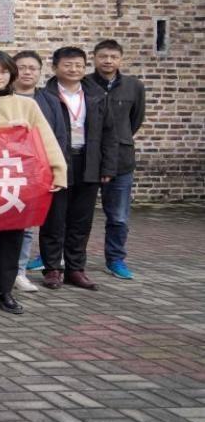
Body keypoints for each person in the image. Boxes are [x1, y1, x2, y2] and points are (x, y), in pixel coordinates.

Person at [0, 51, 66, 315]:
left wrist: (57, 170)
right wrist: (8, 128)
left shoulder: (27, 105)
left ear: (11, 74)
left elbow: (45, 138)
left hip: (18, 180)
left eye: (3, 71)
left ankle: (5, 291)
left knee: (13, 237)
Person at [39, 47, 117, 291]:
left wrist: (107, 166)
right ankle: (52, 268)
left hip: (88, 161)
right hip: (58, 161)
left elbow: (110, 133)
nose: (73, 69)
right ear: (55, 67)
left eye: (79, 65)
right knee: (54, 219)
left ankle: (75, 269)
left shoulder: (97, 95)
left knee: (81, 220)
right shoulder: (45, 96)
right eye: (67, 65)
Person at [84, 39, 145, 281]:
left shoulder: (134, 86)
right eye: (103, 56)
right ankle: (57, 257)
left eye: (113, 57)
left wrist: (120, 139)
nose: (108, 61)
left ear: (120, 59)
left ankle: (115, 259)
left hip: (121, 160)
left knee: (118, 216)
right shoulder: (84, 84)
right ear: (94, 58)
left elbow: (135, 120)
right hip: (87, 158)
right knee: (75, 213)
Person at [11, 49, 48, 285]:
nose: (27, 72)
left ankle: (19, 271)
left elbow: (54, 136)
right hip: (4, 168)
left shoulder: (49, 101)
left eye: (32, 68)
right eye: (21, 67)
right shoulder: (0, 98)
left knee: (26, 225)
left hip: (34, 170)